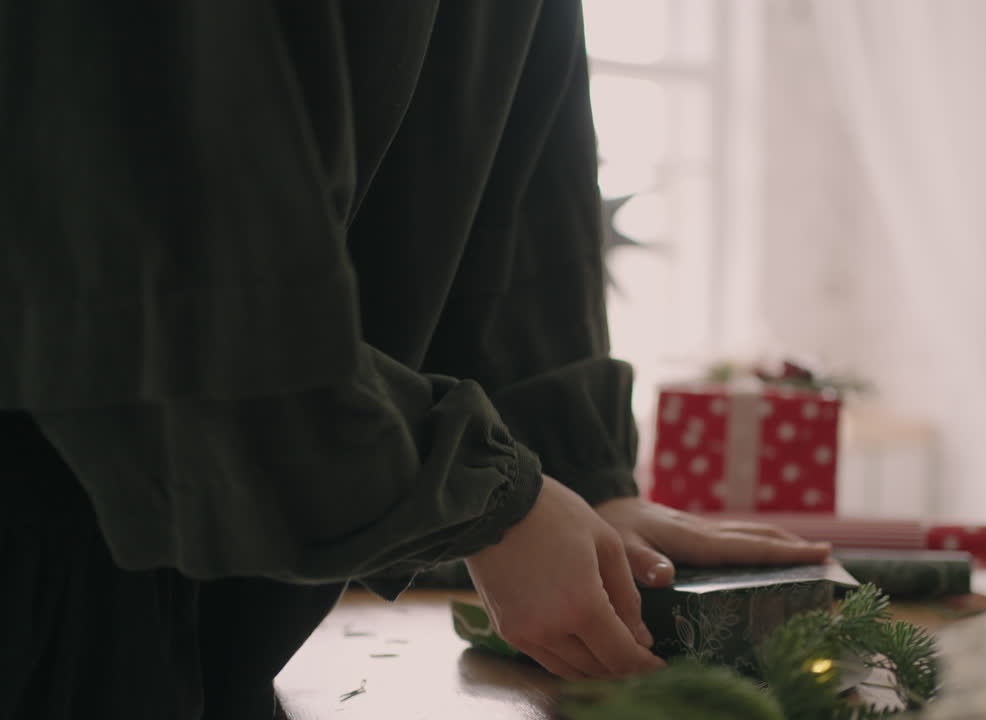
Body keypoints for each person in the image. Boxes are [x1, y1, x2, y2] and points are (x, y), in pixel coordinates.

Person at [0, 2, 830, 718]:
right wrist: (484, 495)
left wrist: (579, 475)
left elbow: (526, 170)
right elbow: (164, 261)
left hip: (211, 626)